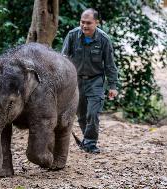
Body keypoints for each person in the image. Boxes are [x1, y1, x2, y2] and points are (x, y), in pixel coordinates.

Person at [61, 8, 118, 154]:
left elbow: (110, 64)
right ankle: (87, 140)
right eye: (82, 22)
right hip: (76, 81)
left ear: (96, 23)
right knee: (81, 115)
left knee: (92, 114)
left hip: (96, 81)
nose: (84, 26)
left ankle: (91, 143)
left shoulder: (103, 39)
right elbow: (63, 59)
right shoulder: (73, 35)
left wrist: (113, 86)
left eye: (88, 23)